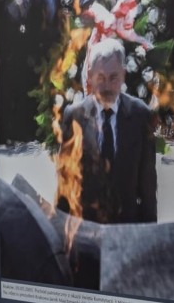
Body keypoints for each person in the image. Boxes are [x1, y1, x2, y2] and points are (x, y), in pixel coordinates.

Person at [57, 38, 157, 226]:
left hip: (127, 230)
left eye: (113, 78)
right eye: (100, 77)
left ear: (123, 75)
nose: (107, 87)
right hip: (85, 229)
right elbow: (65, 182)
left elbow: (148, 188)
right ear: (90, 75)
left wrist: (148, 238)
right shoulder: (74, 116)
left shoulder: (141, 116)